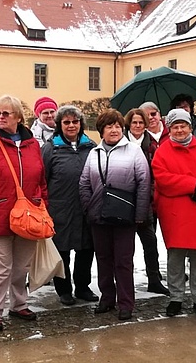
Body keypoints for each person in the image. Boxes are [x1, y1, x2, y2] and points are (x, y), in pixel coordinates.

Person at [0, 95, 48, 332]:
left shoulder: (32, 144)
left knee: (21, 266)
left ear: (19, 117)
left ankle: (19, 304)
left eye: (6, 113)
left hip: (29, 216)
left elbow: (41, 181)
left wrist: (43, 207)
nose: (1, 117)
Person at [151, 109, 196, 320]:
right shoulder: (163, 151)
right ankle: (176, 298)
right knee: (175, 259)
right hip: (174, 213)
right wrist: (194, 184)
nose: (180, 130)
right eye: (175, 126)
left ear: (190, 127)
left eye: (183, 126)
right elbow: (163, 180)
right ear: (170, 129)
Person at [79, 109, 151, 321]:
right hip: (99, 217)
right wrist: (89, 207)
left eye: (118, 126)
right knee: (103, 259)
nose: (114, 130)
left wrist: (139, 214)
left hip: (124, 217)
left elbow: (144, 183)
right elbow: (84, 182)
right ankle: (107, 298)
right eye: (109, 126)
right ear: (101, 131)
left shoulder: (133, 151)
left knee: (123, 261)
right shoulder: (94, 153)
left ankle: (126, 303)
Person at [41, 105, 99, 306]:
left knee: (86, 249)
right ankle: (64, 289)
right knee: (62, 251)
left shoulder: (91, 147)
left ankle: (83, 286)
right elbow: (43, 180)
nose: (71, 125)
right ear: (59, 125)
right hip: (60, 209)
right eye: (67, 122)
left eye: (75, 122)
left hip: (85, 208)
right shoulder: (50, 149)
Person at [124, 108, 169, 295]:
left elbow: (156, 173)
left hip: (146, 202)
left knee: (150, 244)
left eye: (140, 123)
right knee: (125, 247)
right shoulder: (121, 142)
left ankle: (154, 278)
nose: (137, 126)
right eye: (134, 122)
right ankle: (125, 283)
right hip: (124, 203)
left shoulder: (151, 145)